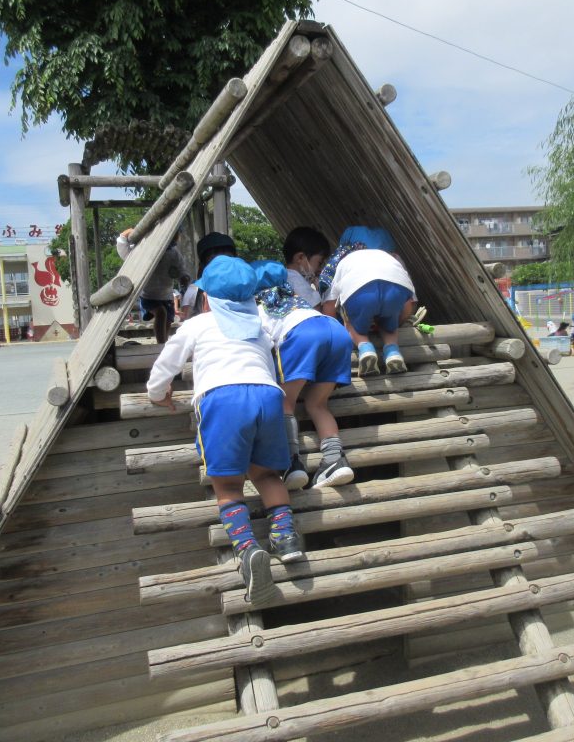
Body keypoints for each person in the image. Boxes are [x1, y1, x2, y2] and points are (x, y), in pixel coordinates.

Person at [146, 255, 303, 604]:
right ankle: (286, 536)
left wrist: (157, 394)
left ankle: (248, 549)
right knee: (266, 475)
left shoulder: (198, 324)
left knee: (229, 485)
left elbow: (166, 363)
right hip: (267, 396)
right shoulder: (260, 322)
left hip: (222, 399)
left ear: (206, 298)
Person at [254, 258, 355, 490]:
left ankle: (291, 463)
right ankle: (334, 460)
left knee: (283, 403)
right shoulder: (298, 298)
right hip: (335, 331)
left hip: (302, 335)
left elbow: (264, 343)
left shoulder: (260, 308)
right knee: (317, 404)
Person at [318, 226, 416, 376]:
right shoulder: (392, 258)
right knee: (389, 322)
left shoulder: (344, 260)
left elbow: (330, 305)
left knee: (348, 320)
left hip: (360, 292)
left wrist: (338, 329)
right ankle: (392, 351)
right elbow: (409, 303)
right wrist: (399, 320)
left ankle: (365, 348)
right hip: (396, 291)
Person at [116, 230, 189, 345]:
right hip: (148, 295)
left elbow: (181, 269)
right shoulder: (145, 249)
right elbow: (123, 248)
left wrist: (183, 277)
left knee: (168, 320)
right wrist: (130, 231)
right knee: (161, 313)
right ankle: (161, 345)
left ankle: (163, 343)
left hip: (166, 295)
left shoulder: (174, 253)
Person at [181, 232, 239, 321]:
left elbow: (186, 319)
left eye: (227, 259)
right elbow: (187, 317)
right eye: (215, 261)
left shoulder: (242, 286)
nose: (223, 267)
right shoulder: (195, 290)